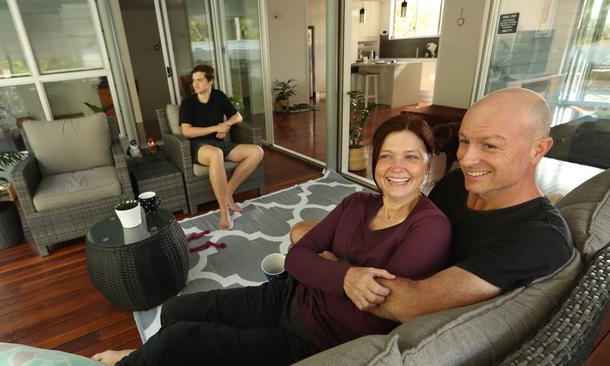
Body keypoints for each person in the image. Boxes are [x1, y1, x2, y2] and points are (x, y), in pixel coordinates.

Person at [91, 115, 451, 366]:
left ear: (429, 163)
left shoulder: (430, 228)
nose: (396, 167)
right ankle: (141, 359)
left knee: (177, 341)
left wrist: (326, 265)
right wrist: (345, 276)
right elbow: (297, 258)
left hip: (315, 341)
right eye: (386, 156)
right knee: (174, 311)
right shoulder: (358, 202)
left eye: (411, 157)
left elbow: (373, 308)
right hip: (286, 296)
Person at [292, 87, 573, 324]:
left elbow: (410, 303)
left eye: (489, 146)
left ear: (539, 149)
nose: (466, 158)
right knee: (302, 230)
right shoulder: (455, 184)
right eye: (464, 141)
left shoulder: (539, 237)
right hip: (327, 294)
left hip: (354, 325)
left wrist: (330, 267)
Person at [179, 64, 263, 230]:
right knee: (216, 153)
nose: (195, 84)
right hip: (199, 146)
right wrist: (216, 128)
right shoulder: (188, 103)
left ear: (210, 81)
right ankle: (224, 211)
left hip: (219, 143)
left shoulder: (218, 96)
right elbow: (186, 131)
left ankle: (228, 192)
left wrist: (226, 124)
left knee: (257, 151)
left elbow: (237, 116)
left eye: (200, 80)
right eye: (193, 80)